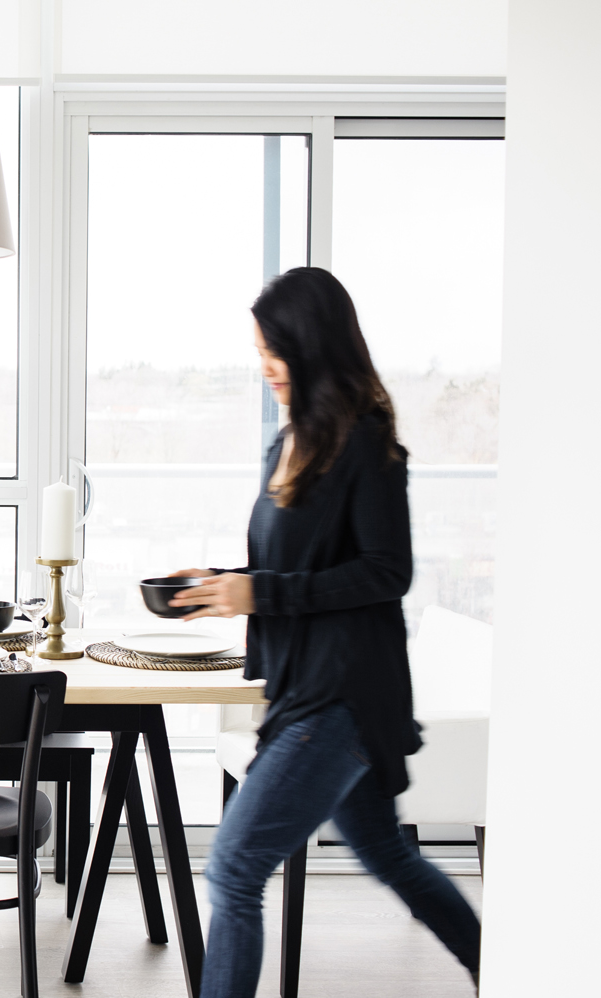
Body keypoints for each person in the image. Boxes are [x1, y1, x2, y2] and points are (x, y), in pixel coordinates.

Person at [167, 267, 481, 996]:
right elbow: (293, 563)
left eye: (275, 352)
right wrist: (219, 585)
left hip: (342, 697)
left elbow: (384, 572)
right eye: (260, 354)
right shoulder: (289, 443)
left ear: (311, 346)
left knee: (235, 866)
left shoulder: (365, 444)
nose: (267, 368)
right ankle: (507, 971)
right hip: (304, 688)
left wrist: (262, 591)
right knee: (388, 855)